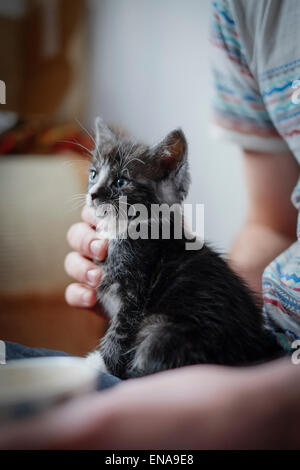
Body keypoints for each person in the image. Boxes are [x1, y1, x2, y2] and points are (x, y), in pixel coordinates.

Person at [1, 0, 300, 449]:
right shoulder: (244, 10)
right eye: (93, 177)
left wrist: (266, 405)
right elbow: (271, 227)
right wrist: (113, 294)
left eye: (116, 182)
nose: (96, 191)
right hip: (251, 345)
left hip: (252, 388)